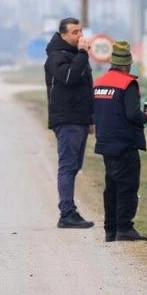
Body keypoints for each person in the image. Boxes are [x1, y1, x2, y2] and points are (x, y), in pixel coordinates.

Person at [92, 41, 147, 242]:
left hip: (105, 142)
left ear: (112, 62)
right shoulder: (127, 84)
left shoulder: (99, 82)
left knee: (111, 186)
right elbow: (133, 114)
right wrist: (146, 117)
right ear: (128, 63)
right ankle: (125, 228)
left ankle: (110, 229)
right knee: (127, 186)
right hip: (124, 143)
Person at [44, 17, 95, 229]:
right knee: (67, 165)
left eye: (80, 31)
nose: (79, 36)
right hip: (67, 120)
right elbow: (69, 77)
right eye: (74, 32)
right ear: (63, 34)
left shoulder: (75, 56)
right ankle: (66, 213)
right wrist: (83, 54)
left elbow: (86, 89)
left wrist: (90, 119)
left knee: (75, 166)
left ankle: (69, 210)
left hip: (80, 120)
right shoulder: (56, 57)